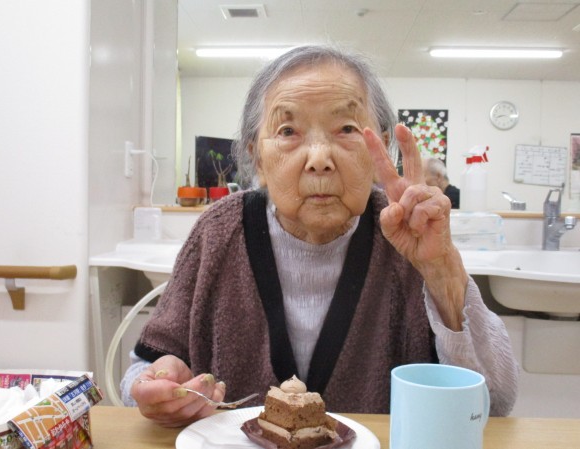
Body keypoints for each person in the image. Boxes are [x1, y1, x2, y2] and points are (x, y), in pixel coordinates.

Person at [121, 45, 518, 427]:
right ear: (257, 157)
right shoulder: (219, 231)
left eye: (346, 128)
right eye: (288, 130)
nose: (319, 159)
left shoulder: (405, 230)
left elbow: (495, 404)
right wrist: (158, 390)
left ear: (380, 148)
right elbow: (143, 372)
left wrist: (441, 268)